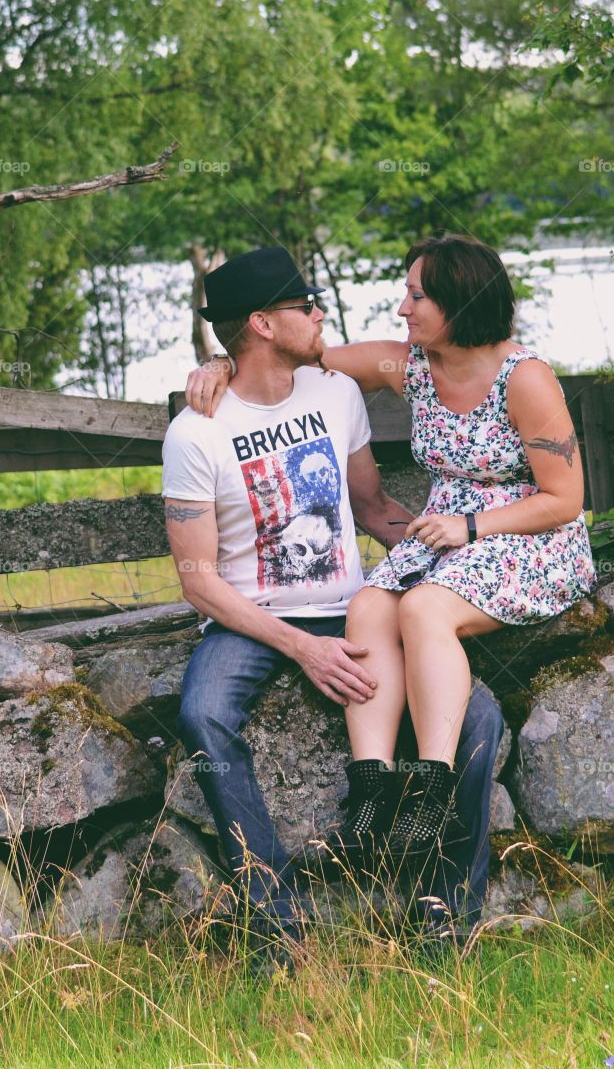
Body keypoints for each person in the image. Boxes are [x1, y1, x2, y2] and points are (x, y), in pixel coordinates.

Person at [185, 235, 598, 903]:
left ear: (459, 303)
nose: (402, 308)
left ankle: (431, 789)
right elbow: (292, 348)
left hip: (528, 536)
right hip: (450, 537)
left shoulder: (525, 378)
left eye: (416, 296)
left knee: (421, 608)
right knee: (372, 602)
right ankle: (374, 790)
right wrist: (218, 359)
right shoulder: (410, 367)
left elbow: (567, 498)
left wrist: (470, 526)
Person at [163, 245, 505, 973]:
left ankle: (445, 913)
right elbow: (197, 581)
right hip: (249, 620)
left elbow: (374, 507)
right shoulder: (195, 431)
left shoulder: (334, 393)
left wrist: (468, 561)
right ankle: (274, 926)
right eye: (305, 303)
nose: (321, 311)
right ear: (261, 322)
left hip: (354, 606)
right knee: (203, 713)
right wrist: (299, 647)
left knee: (477, 715)